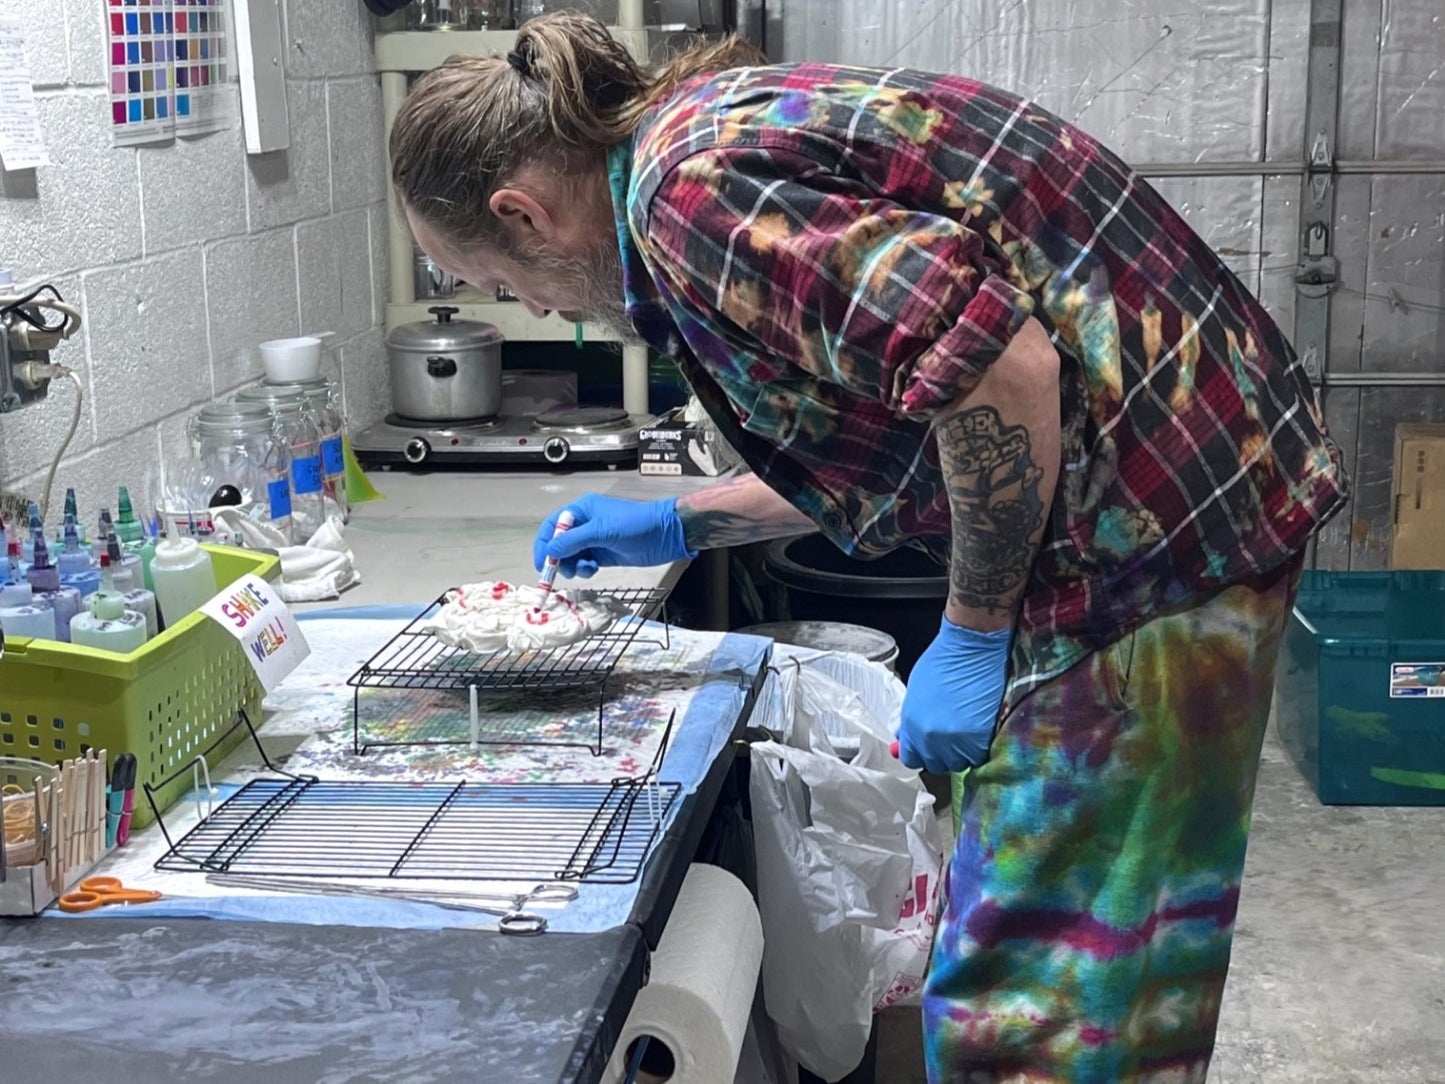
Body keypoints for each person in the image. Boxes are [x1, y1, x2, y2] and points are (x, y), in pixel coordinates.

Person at [389, 14, 1349, 1082]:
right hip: (1174, 493)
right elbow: (898, 426)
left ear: (517, 210)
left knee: (1043, 1001)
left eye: (486, 279)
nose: (520, 307)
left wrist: (971, 633)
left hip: (1149, 540)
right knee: (1089, 974)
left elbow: (1001, 376)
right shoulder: (692, 141)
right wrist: (681, 520)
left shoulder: (688, 196)